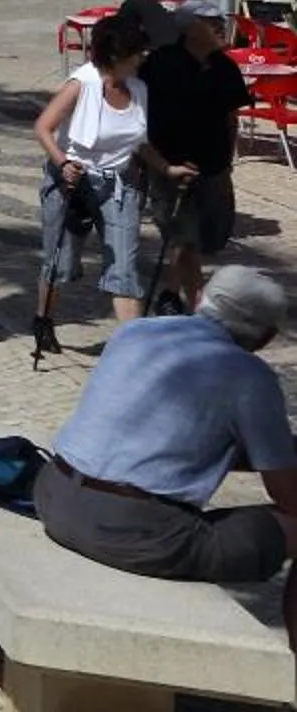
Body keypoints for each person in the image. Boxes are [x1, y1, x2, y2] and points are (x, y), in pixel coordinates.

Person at [37, 265, 297, 648]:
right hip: (135, 533)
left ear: (199, 299)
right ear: (266, 336)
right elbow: (288, 495)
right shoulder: (249, 376)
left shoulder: (134, 331)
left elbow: (163, 440)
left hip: (53, 494)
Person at [33, 11, 195, 356]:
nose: (143, 58)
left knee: (124, 265)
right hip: (72, 182)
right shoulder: (82, 84)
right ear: (117, 56)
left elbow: (139, 142)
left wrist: (168, 169)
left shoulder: (139, 89)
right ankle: (44, 318)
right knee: (60, 264)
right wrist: (63, 163)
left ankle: (133, 348)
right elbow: (43, 127)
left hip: (119, 184)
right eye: (137, 53)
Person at [141, 0, 251, 311]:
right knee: (183, 237)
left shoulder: (226, 68)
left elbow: (232, 118)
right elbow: (139, 115)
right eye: (213, 23)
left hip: (213, 169)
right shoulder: (161, 64)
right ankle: (194, 304)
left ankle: (172, 294)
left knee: (208, 239)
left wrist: (226, 164)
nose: (222, 28)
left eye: (221, 22)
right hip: (170, 167)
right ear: (189, 29)